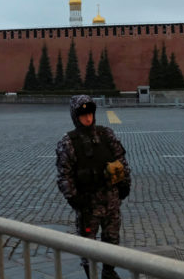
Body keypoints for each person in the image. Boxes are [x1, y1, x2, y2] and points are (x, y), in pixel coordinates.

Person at [56, 94, 131, 279]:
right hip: (88, 206)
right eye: (83, 115)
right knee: (88, 245)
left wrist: (125, 184)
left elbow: (121, 161)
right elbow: (64, 175)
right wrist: (74, 198)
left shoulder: (106, 135)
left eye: (90, 114)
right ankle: (92, 274)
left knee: (111, 241)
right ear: (75, 117)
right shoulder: (68, 142)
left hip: (111, 201)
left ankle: (108, 272)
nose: (88, 118)